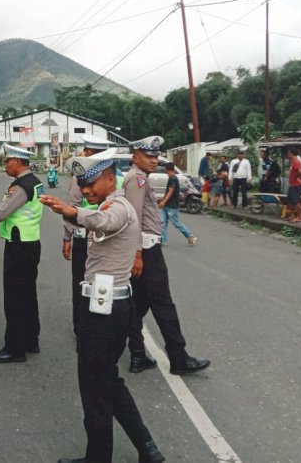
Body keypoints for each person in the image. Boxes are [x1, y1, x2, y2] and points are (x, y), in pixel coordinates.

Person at [39, 151, 165, 463]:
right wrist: (71, 213)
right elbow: (93, 217)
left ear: (111, 178)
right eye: (81, 185)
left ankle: (102, 457)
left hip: (105, 310)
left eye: (90, 183)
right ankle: (146, 448)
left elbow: (103, 222)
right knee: (106, 380)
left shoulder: (118, 207)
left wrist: (71, 211)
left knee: (94, 386)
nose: (85, 190)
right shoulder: (105, 204)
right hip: (101, 305)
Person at [124, 136, 210, 375]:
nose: (154, 161)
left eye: (155, 157)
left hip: (147, 249)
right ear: (135, 156)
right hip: (147, 251)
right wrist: (138, 253)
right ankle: (179, 358)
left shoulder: (138, 178)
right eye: (148, 156)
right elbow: (134, 219)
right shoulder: (138, 180)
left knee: (138, 305)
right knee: (164, 305)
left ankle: (137, 354)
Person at [0, 144, 43, 363]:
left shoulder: (22, 186)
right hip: (30, 241)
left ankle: (14, 348)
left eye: (7, 161)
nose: (5, 164)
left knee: (15, 298)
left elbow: (1, 213)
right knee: (28, 295)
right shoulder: (36, 182)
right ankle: (31, 340)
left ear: (18, 161)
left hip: (19, 245)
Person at [62, 135, 122, 338]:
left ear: (89, 153)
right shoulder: (118, 176)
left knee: (81, 283)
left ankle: (81, 328)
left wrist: (66, 238)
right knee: (108, 283)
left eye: (86, 151)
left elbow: (73, 208)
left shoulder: (80, 177)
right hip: (111, 237)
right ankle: (106, 327)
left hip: (84, 236)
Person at [159, 162, 197, 246]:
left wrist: (163, 202)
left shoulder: (173, 178)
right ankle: (163, 240)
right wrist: (163, 201)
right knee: (162, 222)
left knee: (176, 223)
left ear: (166, 169)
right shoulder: (172, 178)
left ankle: (190, 236)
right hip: (167, 205)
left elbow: (170, 191)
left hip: (171, 205)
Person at [287, 147, 301, 223]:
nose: (288, 154)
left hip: (295, 184)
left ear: (291, 153)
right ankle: (293, 216)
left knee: (296, 201)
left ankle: (299, 216)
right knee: (290, 201)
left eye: (288, 153)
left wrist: (296, 177)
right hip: (292, 184)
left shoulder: (296, 161)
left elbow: (300, 172)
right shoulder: (293, 161)